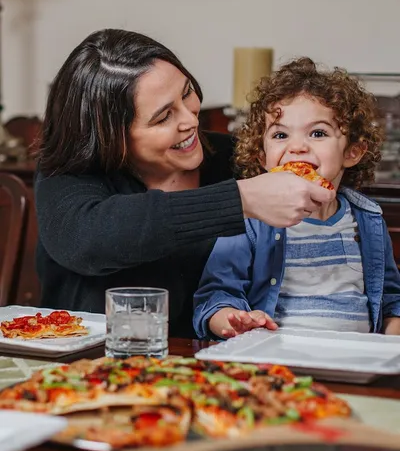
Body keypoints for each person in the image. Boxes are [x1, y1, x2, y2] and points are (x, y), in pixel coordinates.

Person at [35, 31, 334, 338]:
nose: (190, 120)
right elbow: (88, 238)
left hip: (220, 365)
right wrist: (240, 199)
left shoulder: (237, 157)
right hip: (92, 366)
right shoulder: (68, 172)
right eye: (164, 116)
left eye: (187, 92)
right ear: (114, 137)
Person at [193, 57, 400, 339]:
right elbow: (216, 294)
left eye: (318, 133)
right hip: (275, 362)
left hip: (355, 362)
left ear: (352, 151)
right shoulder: (248, 218)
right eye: (280, 134)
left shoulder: (368, 220)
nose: (298, 147)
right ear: (262, 157)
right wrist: (233, 320)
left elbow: (390, 301)